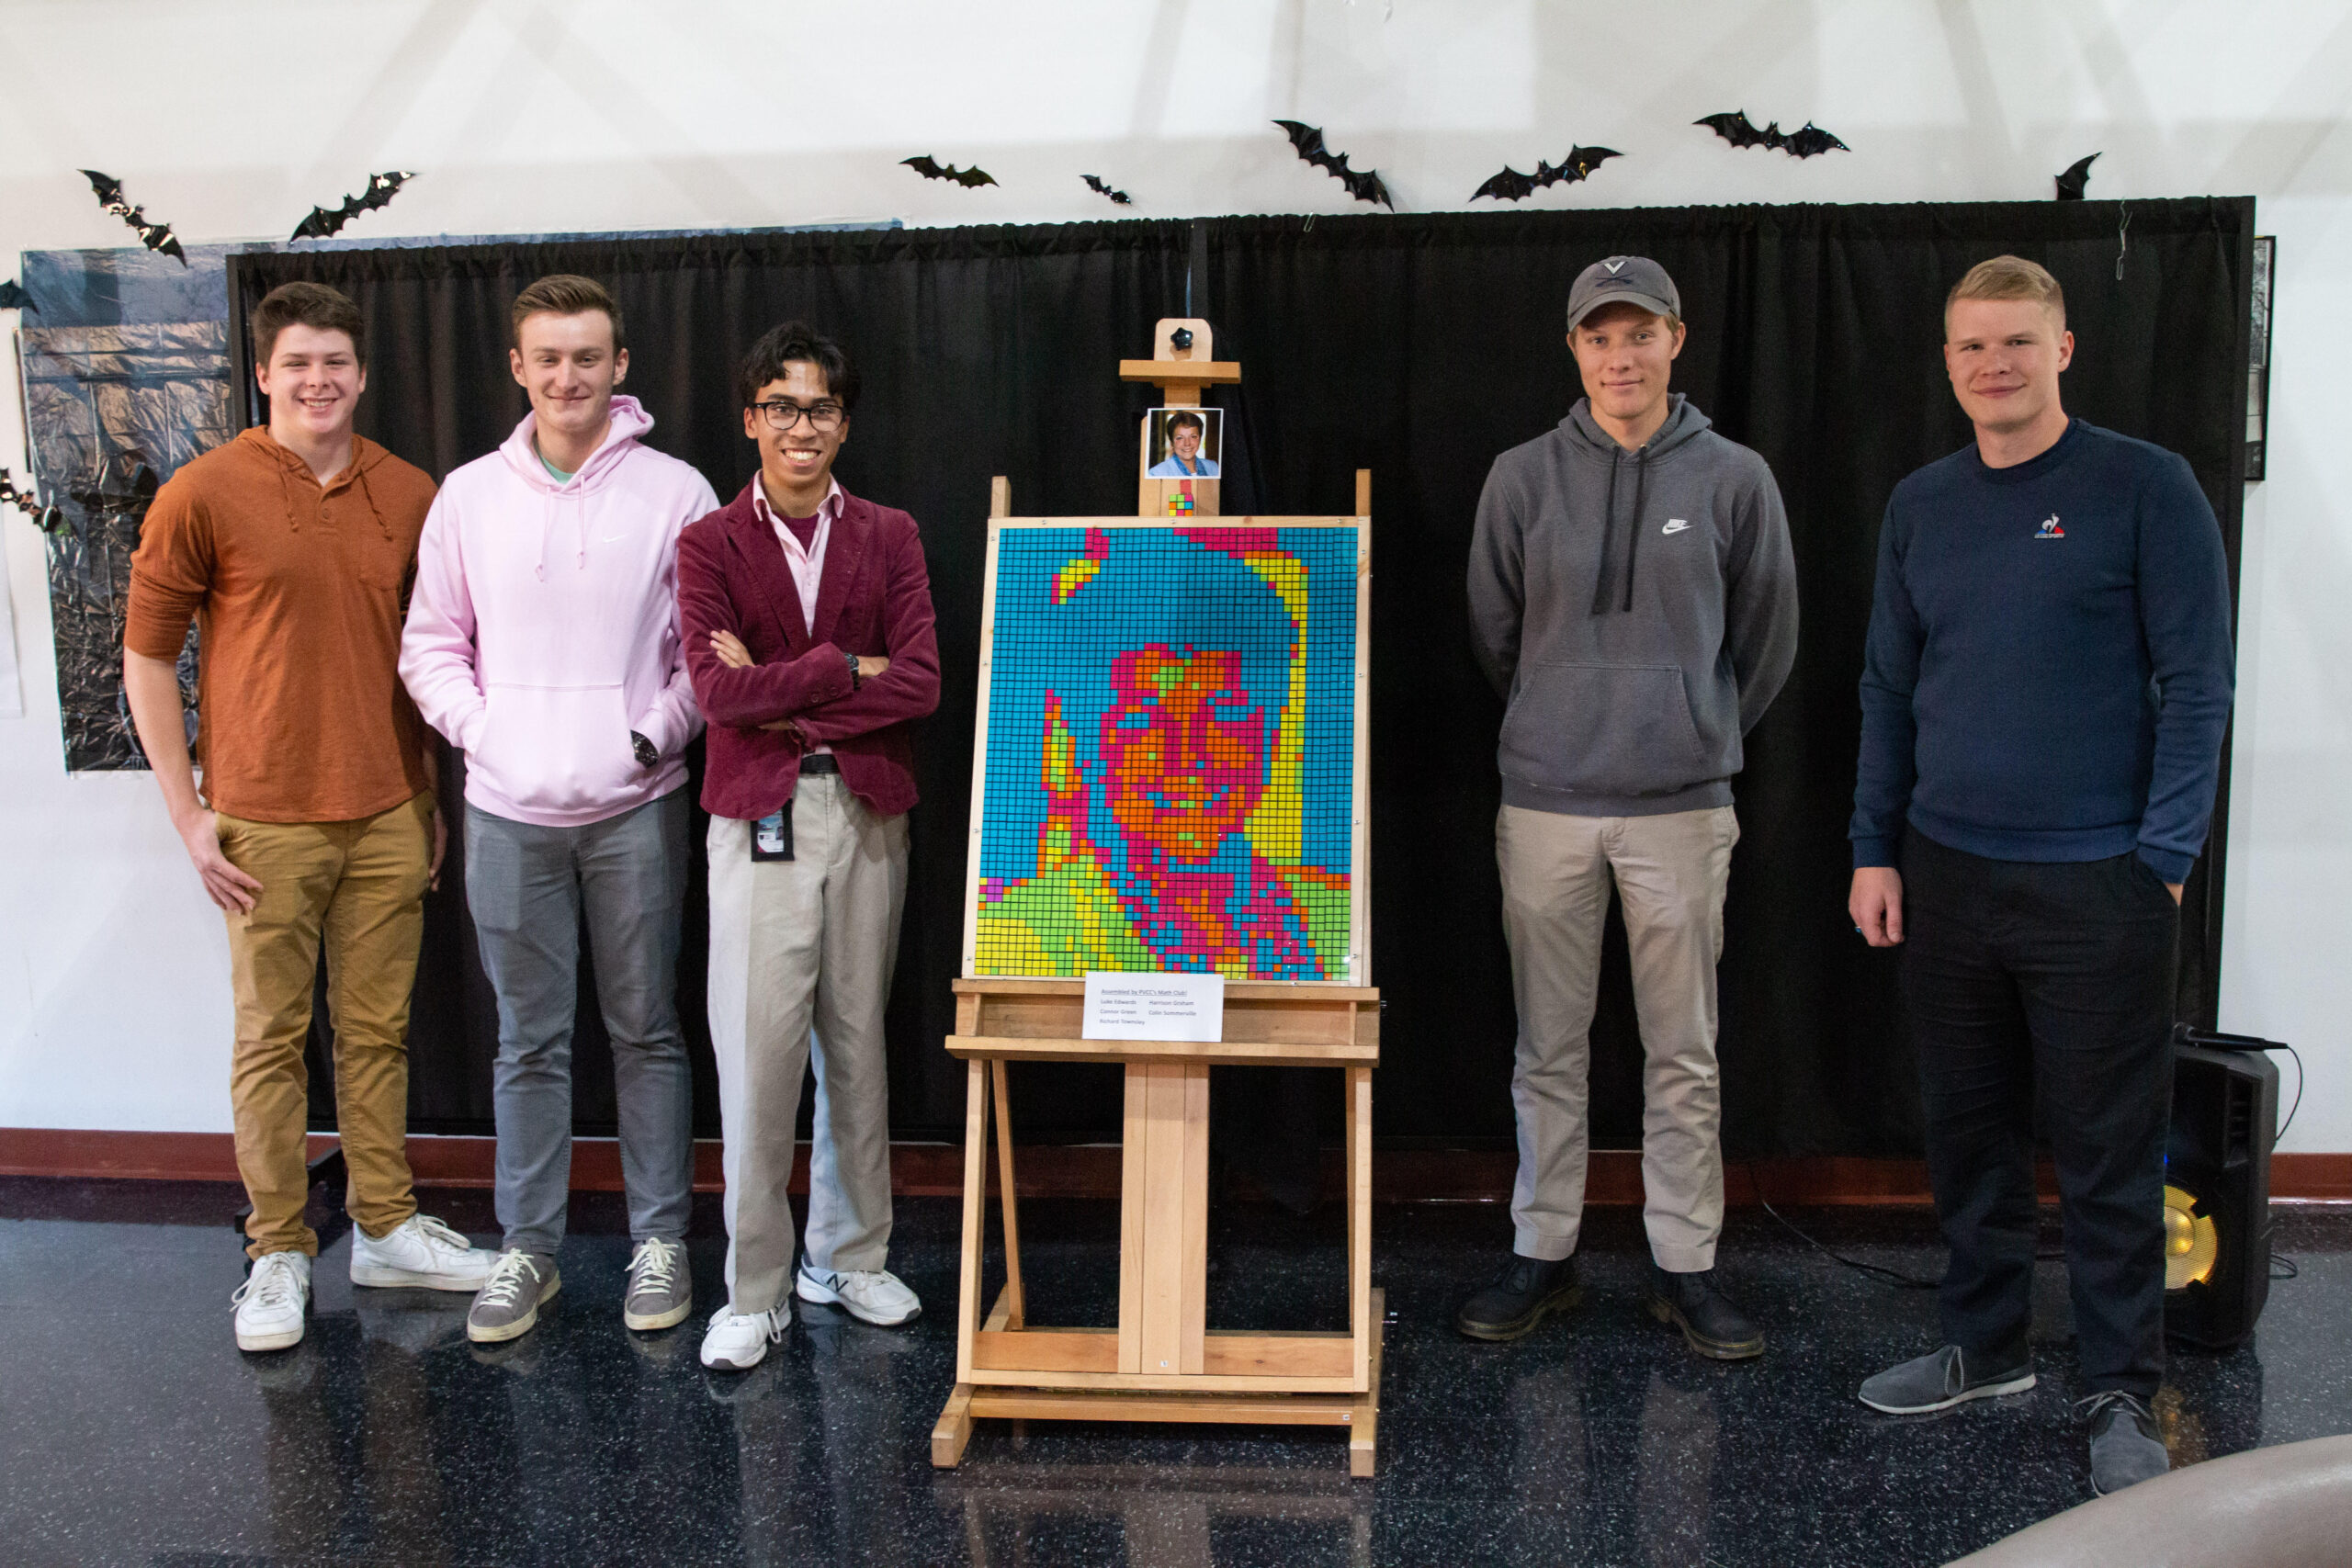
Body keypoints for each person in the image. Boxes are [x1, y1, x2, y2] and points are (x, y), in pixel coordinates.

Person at [1848, 256, 2233, 1495]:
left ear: (2063, 349)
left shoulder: (2144, 487)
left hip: (2101, 882)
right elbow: (1889, 689)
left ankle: (2124, 1380)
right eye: (1971, 347)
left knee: (2111, 1148)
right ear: (1948, 360)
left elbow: (2198, 687)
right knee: (1969, 1131)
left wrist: (2164, 859)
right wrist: (1872, 845)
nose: (1992, 366)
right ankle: (1986, 1340)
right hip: (1949, 872)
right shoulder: (1923, 502)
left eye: (2017, 343)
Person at [122, 281, 496, 1354]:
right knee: (271, 1041)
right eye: (297, 364)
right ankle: (277, 1251)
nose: (318, 380)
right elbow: (147, 659)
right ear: (263, 374)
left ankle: (382, 1226)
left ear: (362, 373)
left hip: (387, 807)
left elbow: (434, 653)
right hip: (260, 822)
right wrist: (188, 815)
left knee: (377, 1034)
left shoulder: (413, 493)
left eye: (335, 361)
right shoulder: (203, 492)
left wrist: (427, 792)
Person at [1462, 255, 1799, 1359]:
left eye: (1639, 334)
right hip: (1548, 801)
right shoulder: (1519, 478)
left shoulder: (1736, 477)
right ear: (1573, 350)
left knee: (1681, 1049)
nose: (1621, 356)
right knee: (1547, 1046)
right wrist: (1566, 718)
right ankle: (1543, 1253)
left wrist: (1691, 727)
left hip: (1679, 808)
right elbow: (1496, 635)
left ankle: (1684, 1266)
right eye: (1600, 337)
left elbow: (1764, 640)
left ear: (1675, 340)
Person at [399, 274, 718, 1344]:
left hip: (637, 807)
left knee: (647, 1032)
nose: (568, 376)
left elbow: (705, 655)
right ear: (518, 368)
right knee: (527, 1044)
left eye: (588, 357)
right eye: (549, 358)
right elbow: (430, 645)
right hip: (504, 812)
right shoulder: (467, 496)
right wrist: (492, 737)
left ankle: (659, 1242)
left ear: (620, 366)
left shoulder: (677, 493)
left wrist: (647, 737)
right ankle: (527, 1252)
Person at [674, 321, 942, 1371]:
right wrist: (844, 668)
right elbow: (717, 695)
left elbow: (919, 679)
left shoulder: (890, 533)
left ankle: (848, 1255)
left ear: (845, 422)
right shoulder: (707, 545)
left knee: (856, 1044)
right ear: (750, 420)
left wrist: (794, 691)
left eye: (820, 407)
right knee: (757, 1053)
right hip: (757, 820)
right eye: (780, 406)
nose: (801, 425)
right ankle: (753, 1289)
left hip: (868, 813)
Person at [971, 527, 1350, 979]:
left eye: (1225, 715)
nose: (1190, 756)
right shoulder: (1022, 939)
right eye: (1144, 719)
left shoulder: (1335, 925)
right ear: (1085, 747)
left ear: (1269, 735)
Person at [1147, 410, 1219, 477]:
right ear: (1172, 443)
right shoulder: (1156, 473)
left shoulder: (1213, 467)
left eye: (1193, 436)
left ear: (1200, 439)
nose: (1187, 443)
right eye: (1180, 438)